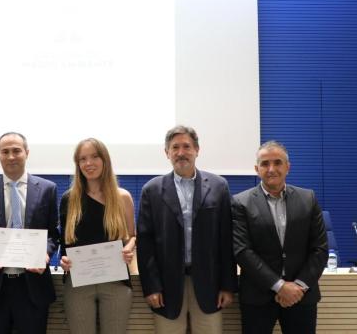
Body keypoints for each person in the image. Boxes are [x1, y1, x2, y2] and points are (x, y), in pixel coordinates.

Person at [136, 125, 237, 333]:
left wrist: (228, 285)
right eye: (175, 147)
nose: (181, 153)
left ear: (197, 150)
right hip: (167, 286)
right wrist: (152, 287)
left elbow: (227, 240)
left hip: (210, 285)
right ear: (167, 153)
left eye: (187, 146)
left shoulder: (219, 186)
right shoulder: (152, 190)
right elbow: (145, 244)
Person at [232, 140, 328, 334]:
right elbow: (242, 251)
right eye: (265, 164)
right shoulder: (240, 202)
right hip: (258, 296)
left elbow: (320, 248)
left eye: (277, 162)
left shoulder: (308, 198)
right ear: (256, 169)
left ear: (288, 167)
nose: (271, 169)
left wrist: (298, 287)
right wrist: (279, 286)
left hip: (301, 296)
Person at [0, 132, 59, 334]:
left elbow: (53, 234)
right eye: (5, 151)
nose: (11, 156)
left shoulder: (47, 189)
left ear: (26, 153)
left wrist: (45, 253)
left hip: (32, 287)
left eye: (16, 151)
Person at [59, 138, 136, 333]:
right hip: (78, 282)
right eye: (82, 159)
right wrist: (64, 260)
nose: (88, 163)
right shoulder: (69, 199)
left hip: (115, 282)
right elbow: (64, 244)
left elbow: (132, 236)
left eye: (94, 157)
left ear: (105, 160)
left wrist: (129, 248)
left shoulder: (123, 197)